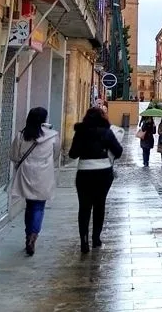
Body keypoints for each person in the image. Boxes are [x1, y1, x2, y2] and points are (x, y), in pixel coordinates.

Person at [68, 106, 123, 253]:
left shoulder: (80, 132)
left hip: (84, 172)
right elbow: (118, 151)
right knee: (100, 205)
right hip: (103, 172)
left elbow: (73, 154)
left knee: (84, 207)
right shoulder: (107, 132)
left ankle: (84, 241)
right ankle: (96, 238)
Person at [10, 107, 60, 256]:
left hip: (26, 173)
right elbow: (56, 155)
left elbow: (14, 155)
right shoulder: (52, 136)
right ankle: (33, 236)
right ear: (45, 119)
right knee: (39, 207)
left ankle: (28, 235)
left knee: (30, 205)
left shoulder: (22, 135)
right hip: (44, 174)